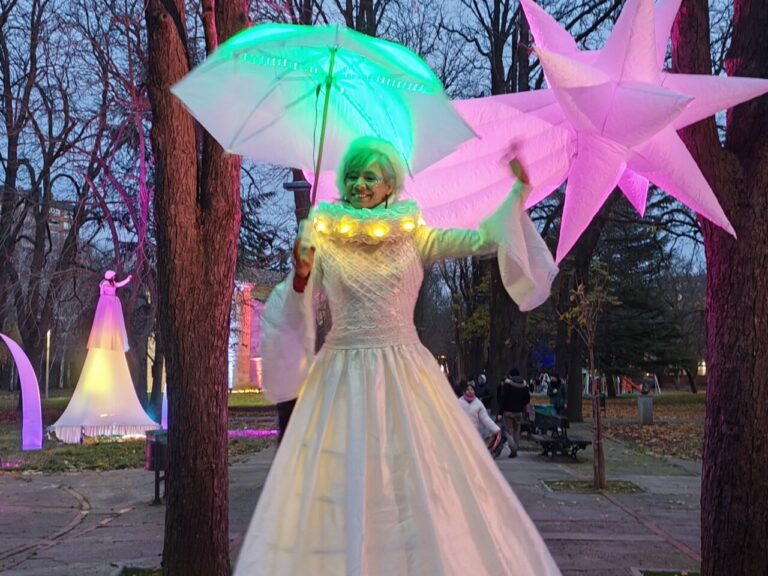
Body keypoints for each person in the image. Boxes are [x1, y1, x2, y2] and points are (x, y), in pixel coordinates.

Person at [234, 137, 560, 575]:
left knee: (419, 485)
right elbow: (295, 307)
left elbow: (480, 240)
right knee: (342, 488)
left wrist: (516, 194)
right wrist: (301, 271)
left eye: (370, 175)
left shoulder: (414, 234)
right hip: (340, 380)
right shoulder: (322, 236)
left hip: (407, 378)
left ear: (390, 183)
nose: (359, 184)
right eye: (352, 175)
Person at [88, 270, 132, 351]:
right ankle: (104, 339)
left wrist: (128, 279)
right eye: (113, 276)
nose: (114, 277)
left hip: (113, 302)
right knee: (106, 319)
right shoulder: (104, 284)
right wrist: (102, 290)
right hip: (107, 302)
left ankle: (112, 336)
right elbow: (102, 294)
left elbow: (120, 284)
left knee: (113, 320)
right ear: (110, 276)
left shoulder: (113, 283)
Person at [458, 381, 501, 451]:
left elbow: (486, 419)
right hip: (462, 432)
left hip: (474, 433)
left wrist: (496, 429)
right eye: (467, 389)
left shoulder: (478, 404)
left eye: (471, 389)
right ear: (464, 391)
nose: (470, 391)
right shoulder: (459, 402)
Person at [497, 368, 531, 458]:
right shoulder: (524, 384)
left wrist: (500, 412)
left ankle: (513, 447)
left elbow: (503, 399)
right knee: (517, 430)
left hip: (508, 411)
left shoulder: (507, 384)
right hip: (519, 411)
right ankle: (515, 447)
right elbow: (527, 399)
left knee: (508, 431)